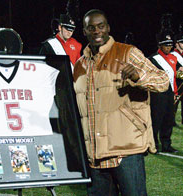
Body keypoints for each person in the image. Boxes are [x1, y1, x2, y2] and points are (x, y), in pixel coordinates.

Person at [73, 9, 170, 196]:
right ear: (84, 31)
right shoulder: (79, 65)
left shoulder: (127, 53)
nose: (96, 31)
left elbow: (162, 81)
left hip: (126, 152)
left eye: (101, 26)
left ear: (108, 28)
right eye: (90, 28)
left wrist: (138, 75)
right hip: (95, 157)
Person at [149, 15, 179, 153]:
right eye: (166, 44)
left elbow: (174, 77)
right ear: (160, 45)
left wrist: (175, 93)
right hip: (158, 93)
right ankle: (153, 144)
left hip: (170, 92)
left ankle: (166, 144)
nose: (169, 47)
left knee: (168, 120)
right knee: (156, 119)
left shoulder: (173, 58)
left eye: (170, 44)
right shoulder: (153, 59)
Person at [172, 23, 183, 125]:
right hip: (177, 84)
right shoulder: (173, 56)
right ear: (176, 44)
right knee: (174, 103)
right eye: (182, 42)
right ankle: (171, 120)